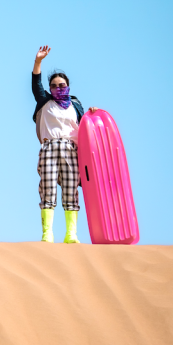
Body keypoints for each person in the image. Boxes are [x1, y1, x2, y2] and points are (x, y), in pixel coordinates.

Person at [31, 45, 100, 243]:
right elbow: (36, 83)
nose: (58, 88)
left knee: (71, 190)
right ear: (50, 88)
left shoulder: (75, 105)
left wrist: (93, 114)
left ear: (68, 86)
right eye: (54, 85)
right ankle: (47, 234)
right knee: (48, 188)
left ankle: (71, 234)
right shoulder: (45, 101)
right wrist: (38, 61)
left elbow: (86, 126)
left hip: (71, 150)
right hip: (50, 148)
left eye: (62, 85)